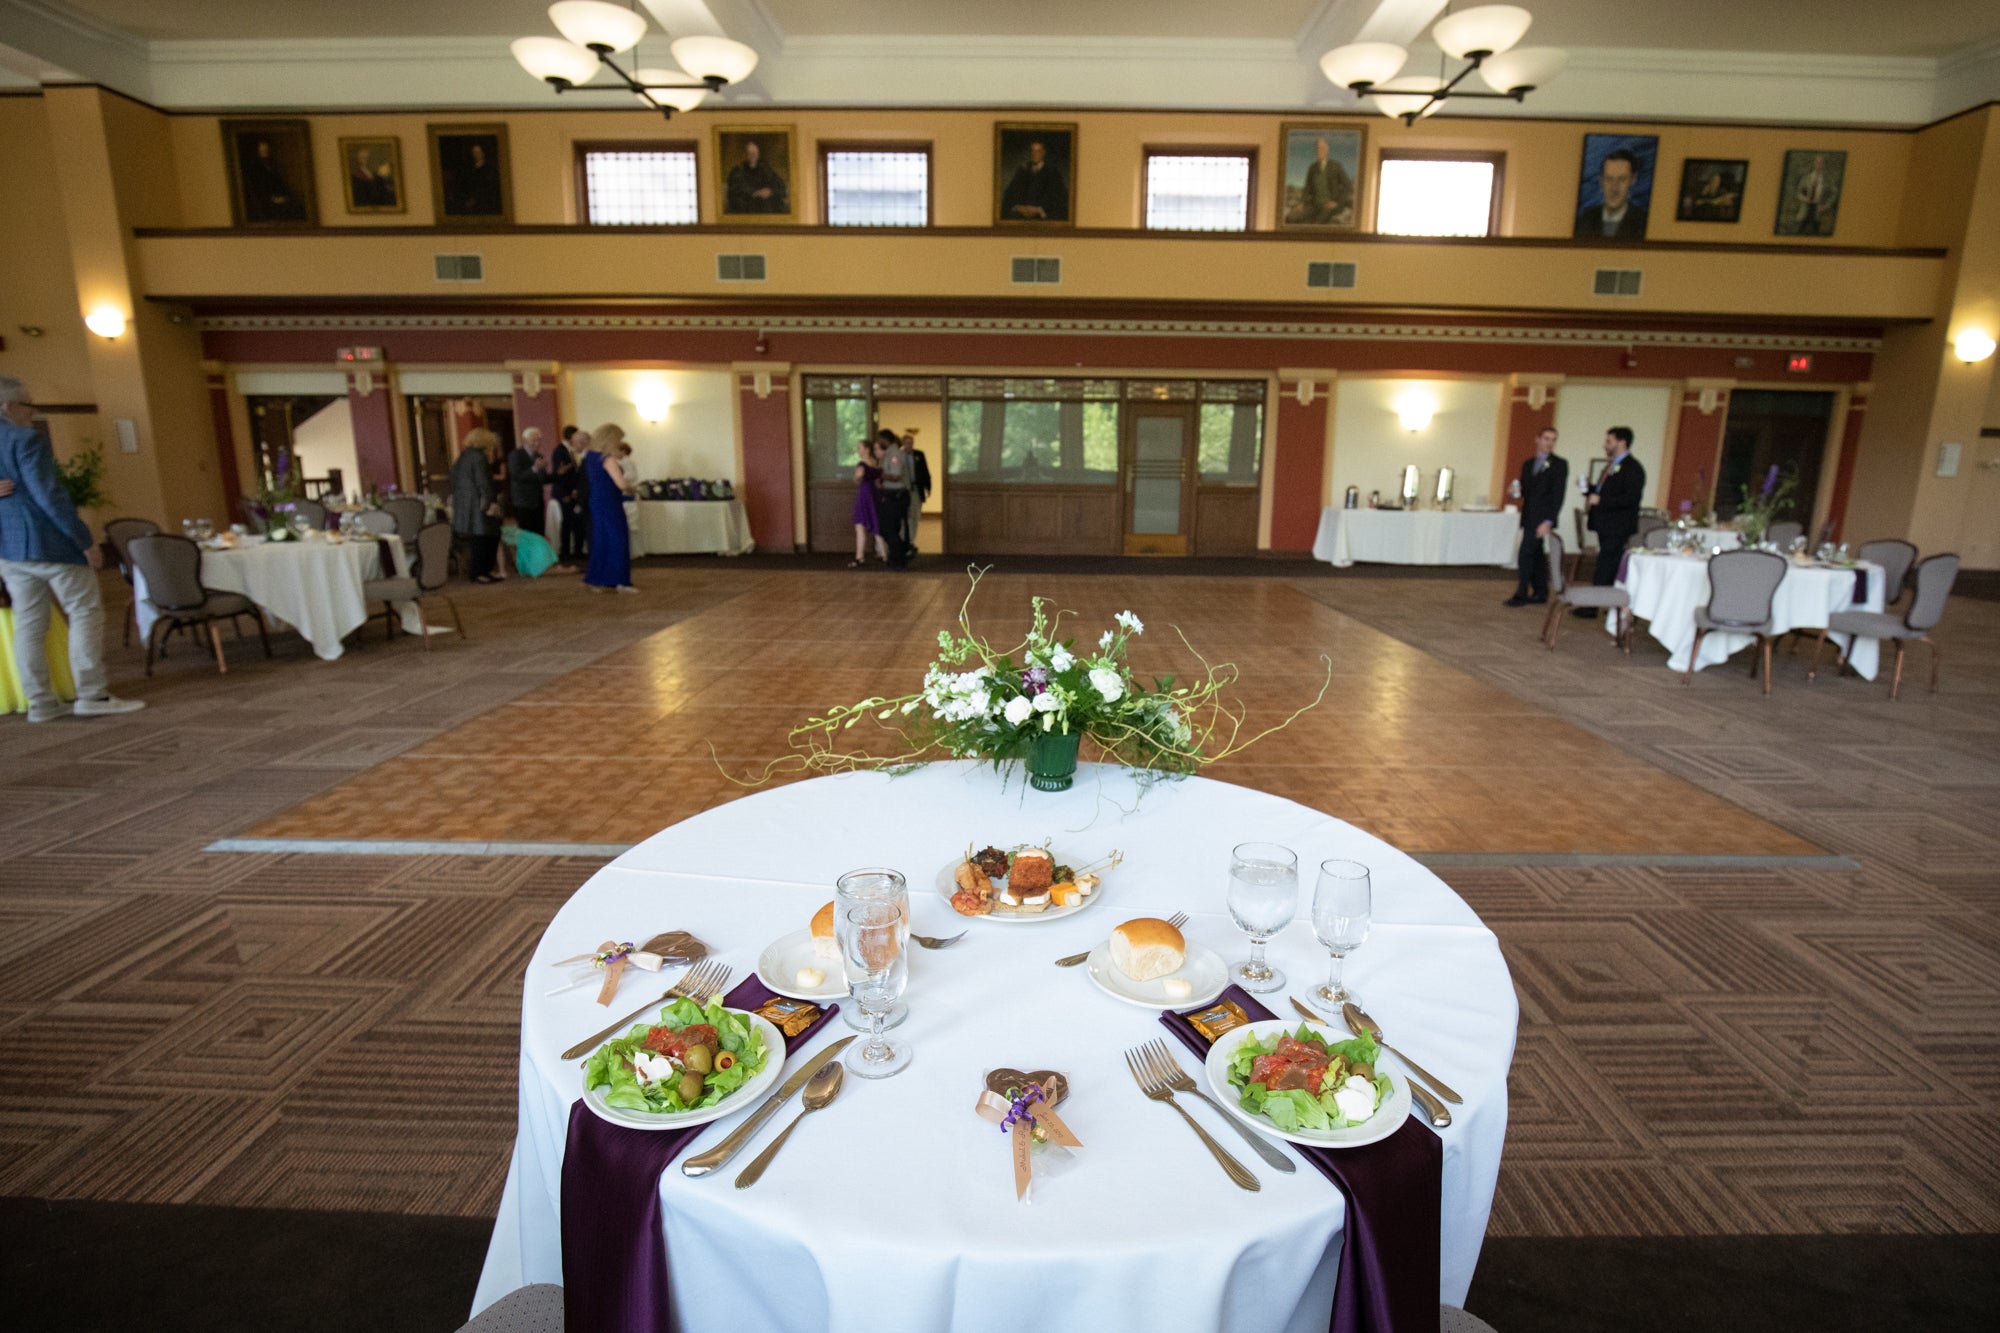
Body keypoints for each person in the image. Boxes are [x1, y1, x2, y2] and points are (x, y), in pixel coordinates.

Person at [0, 375, 144, 721]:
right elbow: (48, 494)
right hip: (49, 544)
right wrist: (84, 541)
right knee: (84, 612)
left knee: (29, 624)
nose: (32, 411)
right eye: (28, 404)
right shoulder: (24, 438)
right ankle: (92, 695)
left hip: (8, 549)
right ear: (7, 406)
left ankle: (41, 703)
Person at [1575, 426, 1646, 616]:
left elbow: (1631, 499)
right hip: (1606, 523)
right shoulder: (1613, 465)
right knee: (1607, 563)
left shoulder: (1633, 468)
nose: (1604, 445)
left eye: (1609, 441)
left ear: (1622, 443)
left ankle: (1594, 606)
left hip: (1617, 525)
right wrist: (1588, 489)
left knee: (1607, 564)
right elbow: (1605, 491)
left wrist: (1601, 500)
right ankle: (1608, 603)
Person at [1505, 427, 1568, 607]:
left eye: (1553, 439)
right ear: (1537, 439)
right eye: (1547, 438)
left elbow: (1558, 495)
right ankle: (1541, 592)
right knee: (1537, 554)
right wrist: (1513, 492)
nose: (1550, 443)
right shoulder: (1528, 464)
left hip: (1542, 518)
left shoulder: (1559, 464)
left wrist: (1548, 521)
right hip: (1529, 516)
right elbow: (1525, 491)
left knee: (1525, 554)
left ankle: (1521, 593)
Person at [581, 425, 636, 593]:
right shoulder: (608, 459)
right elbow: (621, 484)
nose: (619, 443)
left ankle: (596, 579)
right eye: (618, 440)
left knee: (601, 539)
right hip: (610, 502)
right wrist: (632, 488)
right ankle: (620, 581)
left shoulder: (590, 456)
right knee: (618, 539)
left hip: (597, 501)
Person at [450, 427, 503, 585]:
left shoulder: (462, 457)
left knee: (477, 539)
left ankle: (479, 572)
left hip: (465, 504)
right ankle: (482, 572)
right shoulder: (480, 458)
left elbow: (454, 478)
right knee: (489, 536)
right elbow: (484, 483)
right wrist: (490, 503)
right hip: (479, 503)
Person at [1574, 149, 1649, 239]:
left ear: (1633, 180)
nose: (1614, 188)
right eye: (1609, 179)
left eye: (1622, 179)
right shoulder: (1585, 220)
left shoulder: (1643, 222)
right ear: (1601, 180)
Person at [1290, 135, 1355, 226]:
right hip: (1314, 204)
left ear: (1327, 150)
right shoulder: (1312, 168)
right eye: (1317, 149)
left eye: (1322, 148)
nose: (1319, 151)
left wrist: (1337, 202)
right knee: (1292, 218)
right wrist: (1301, 203)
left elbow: (1348, 187)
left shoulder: (1336, 166)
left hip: (1330, 205)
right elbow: (1307, 188)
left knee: (1316, 224)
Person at [874, 428, 913, 569]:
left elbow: (896, 476)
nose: (878, 442)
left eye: (879, 439)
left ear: (885, 440)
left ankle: (899, 557)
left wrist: (878, 474)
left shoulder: (894, 454)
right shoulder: (888, 454)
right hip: (890, 494)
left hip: (896, 496)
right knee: (890, 528)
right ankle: (899, 555)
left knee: (887, 528)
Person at [1001, 139, 1068, 221]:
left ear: (1043, 153)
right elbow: (1010, 193)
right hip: (1021, 217)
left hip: (1044, 219)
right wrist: (1018, 207)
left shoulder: (1052, 172)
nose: (1034, 154)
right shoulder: (1022, 171)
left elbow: (1059, 197)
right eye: (1032, 151)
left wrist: (1039, 210)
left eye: (1038, 151)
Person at [551, 424, 587, 567]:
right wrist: (564, 494)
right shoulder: (559, 451)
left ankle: (577, 550)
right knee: (567, 523)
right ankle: (565, 552)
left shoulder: (570, 451)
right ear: (571, 437)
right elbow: (559, 474)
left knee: (577, 522)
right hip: (565, 493)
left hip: (574, 492)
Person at [849, 439, 888, 568]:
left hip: (865, 494)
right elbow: (879, 480)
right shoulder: (875, 463)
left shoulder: (862, 464)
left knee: (859, 525)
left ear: (867, 449)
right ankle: (884, 554)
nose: (858, 450)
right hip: (874, 494)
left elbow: (857, 478)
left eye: (859, 448)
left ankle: (859, 557)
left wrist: (856, 475)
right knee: (876, 522)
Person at [725, 139, 789, 215]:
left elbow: (780, 185)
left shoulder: (765, 168)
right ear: (745, 155)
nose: (752, 156)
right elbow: (734, 191)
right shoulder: (738, 171)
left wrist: (770, 191)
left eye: (754, 153)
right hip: (746, 208)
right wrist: (755, 193)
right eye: (749, 153)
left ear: (758, 154)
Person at [508, 428, 548, 538]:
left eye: (539, 440)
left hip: (538, 501)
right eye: (534, 440)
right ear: (525, 441)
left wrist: (558, 474)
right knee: (526, 535)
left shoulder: (539, 456)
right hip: (523, 502)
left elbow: (543, 479)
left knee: (539, 534)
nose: (537, 443)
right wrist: (535, 468)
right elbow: (517, 475)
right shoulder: (516, 455)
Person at [903, 430, 932, 556]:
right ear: (903, 443)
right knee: (905, 517)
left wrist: (928, 487)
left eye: (911, 443)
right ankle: (903, 540)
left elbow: (925, 471)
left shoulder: (919, 455)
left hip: (916, 490)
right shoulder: (899, 456)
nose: (909, 445)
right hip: (903, 490)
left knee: (915, 516)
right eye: (907, 443)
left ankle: (911, 541)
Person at [1792, 153, 1836, 234]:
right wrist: (1806, 199)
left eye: (1821, 163)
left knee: (1815, 232)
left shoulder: (1828, 180)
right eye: (1817, 162)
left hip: (1818, 211)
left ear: (1824, 165)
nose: (1819, 165)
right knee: (1798, 231)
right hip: (1804, 209)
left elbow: (1834, 194)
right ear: (1814, 163)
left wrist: (1825, 206)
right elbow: (1798, 192)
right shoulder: (1805, 178)